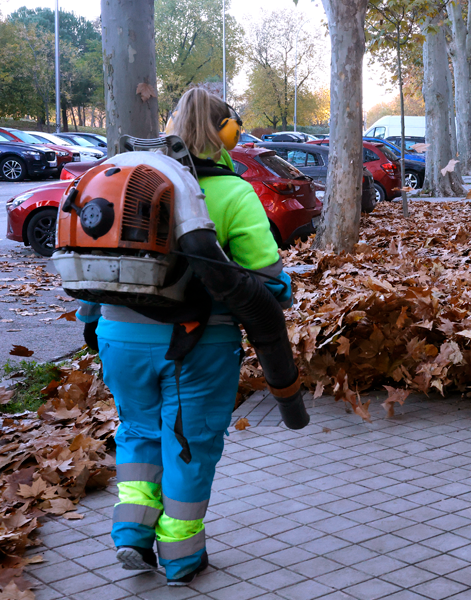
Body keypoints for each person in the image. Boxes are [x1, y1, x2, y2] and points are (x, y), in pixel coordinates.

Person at [77, 87, 291, 586]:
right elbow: (269, 281)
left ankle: (130, 534)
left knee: (138, 430)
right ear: (228, 134)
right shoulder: (233, 193)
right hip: (199, 342)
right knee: (189, 444)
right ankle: (181, 556)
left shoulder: (132, 177)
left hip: (118, 333)